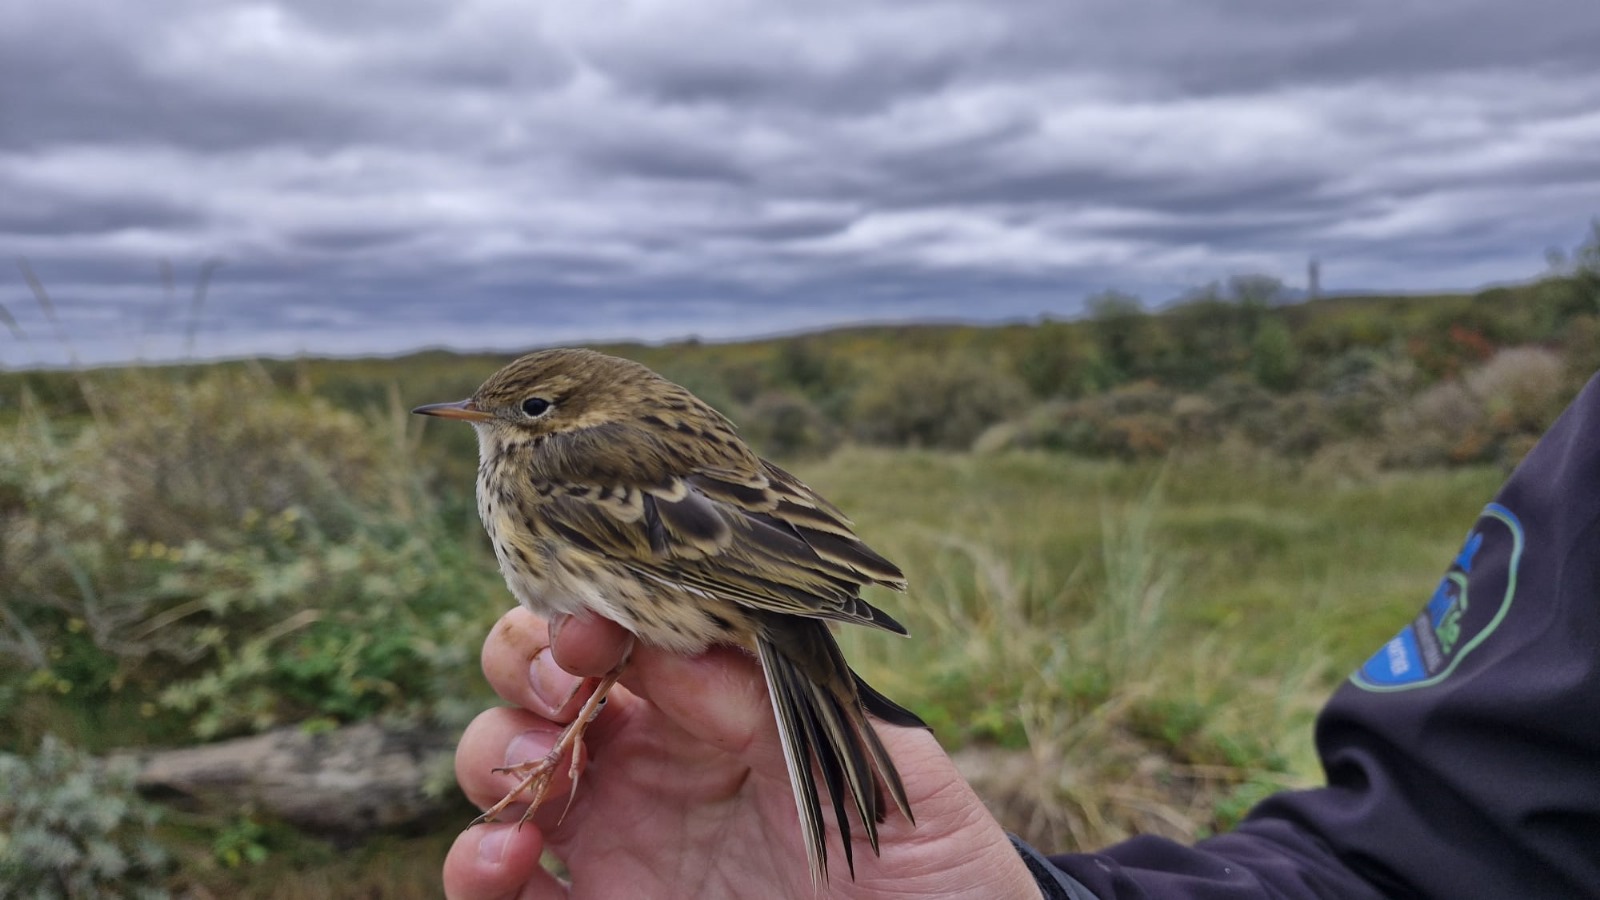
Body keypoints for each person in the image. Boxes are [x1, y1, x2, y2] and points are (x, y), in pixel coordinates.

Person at [441, 373, 1600, 899]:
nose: (494, 425)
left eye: (524, 407)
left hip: (741, 598)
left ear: (566, 414)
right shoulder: (583, 450)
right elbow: (1420, 852)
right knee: (592, 675)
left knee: (603, 665)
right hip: (748, 605)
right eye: (496, 411)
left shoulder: (559, 470)